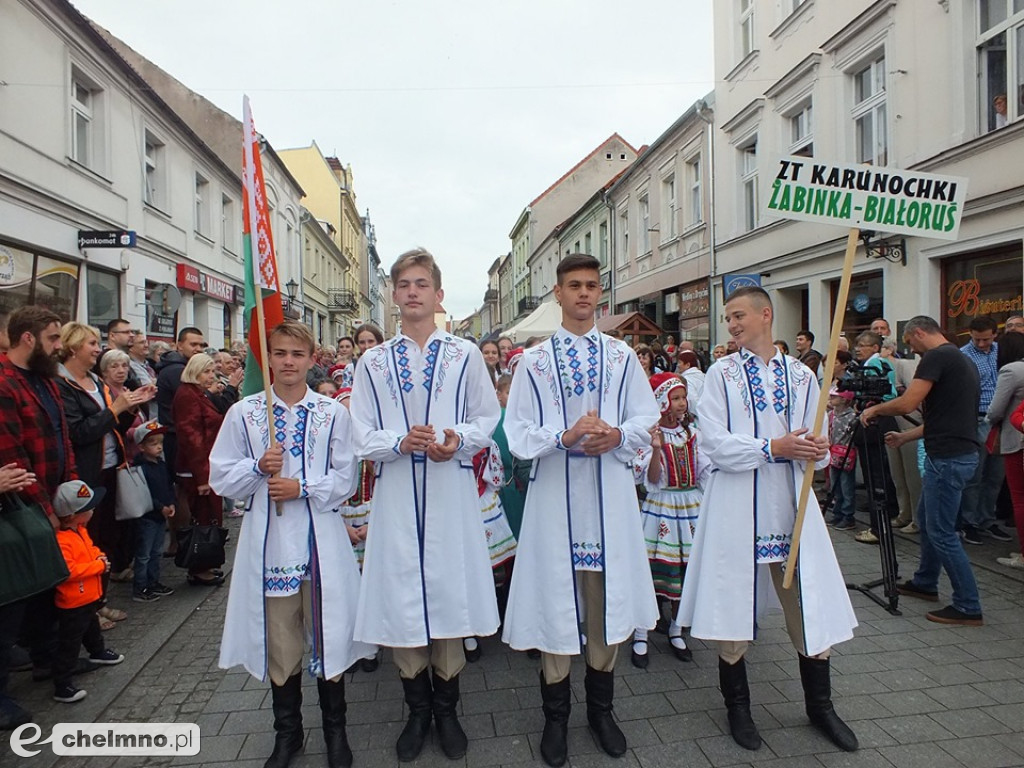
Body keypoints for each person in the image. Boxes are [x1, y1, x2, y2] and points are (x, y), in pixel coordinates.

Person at [678, 286, 858, 754]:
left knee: (807, 603)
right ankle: (738, 707)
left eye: (738, 316)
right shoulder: (720, 374)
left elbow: (814, 436)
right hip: (737, 506)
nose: (732, 324)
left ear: (765, 314)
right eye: (727, 318)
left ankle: (821, 707)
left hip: (789, 505)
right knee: (732, 603)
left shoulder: (801, 376)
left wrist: (814, 447)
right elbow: (712, 443)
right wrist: (771, 447)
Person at [503, 254, 660, 767]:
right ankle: (554, 717)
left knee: (604, 604)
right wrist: (564, 436)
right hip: (553, 502)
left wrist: (615, 434)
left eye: (592, 285)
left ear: (600, 293)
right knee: (554, 601)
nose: (584, 294)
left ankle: (601, 710)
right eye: (575, 285)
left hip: (609, 501)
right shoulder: (534, 361)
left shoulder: (621, 357)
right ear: (558, 292)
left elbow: (646, 415)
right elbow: (518, 433)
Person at [350, 248, 500, 762]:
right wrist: (399, 443)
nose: (412, 292)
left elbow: (488, 417)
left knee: (448, 593)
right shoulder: (371, 361)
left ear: (438, 295)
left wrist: (457, 438)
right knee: (402, 596)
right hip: (395, 499)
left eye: (422, 284)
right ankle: (416, 710)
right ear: (393, 295)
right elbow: (360, 433)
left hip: (451, 496)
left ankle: (448, 710)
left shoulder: (464, 355)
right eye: (403, 284)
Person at [210, 320, 369, 768]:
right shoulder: (244, 413)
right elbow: (220, 474)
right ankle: (289, 732)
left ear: (311, 358)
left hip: (321, 544)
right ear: (268, 359)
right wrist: (258, 468)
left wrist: (302, 487)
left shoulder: (332, 413)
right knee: (282, 645)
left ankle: (336, 732)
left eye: (297, 354)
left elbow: (346, 478)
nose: (288, 362)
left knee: (329, 636)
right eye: (279, 353)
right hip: (272, 547)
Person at [861, 315, 984, 627]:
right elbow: (946, 419)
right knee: (929, 522)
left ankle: (968, 605)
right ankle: (925, 582)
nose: (911, 350)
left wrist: (875, 409)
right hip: (955, 452)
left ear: (918, 333)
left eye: (910, 343)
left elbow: (907, 404)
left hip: (948, 458)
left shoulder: (936, 357)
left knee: (942, 531)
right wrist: (905, 436)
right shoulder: (960, 358)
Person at [0, 306, 75, 729]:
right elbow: (13, 457)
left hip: (53, 494)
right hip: (23, 506)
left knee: (48, 583)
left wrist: (71, 492)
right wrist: (46, 509)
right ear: (28, 338)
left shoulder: (45, 379)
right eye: (52, 338)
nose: (57, 345)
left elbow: (59, 436)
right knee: (16, 596)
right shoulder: (5, 384)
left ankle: (49, 659)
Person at [57, 323, 154, 614]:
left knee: (108, 536)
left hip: (112, 466)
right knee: (89, 539)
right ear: (73, 347)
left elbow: (114, 427)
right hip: (84, 472)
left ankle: (101, 599)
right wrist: (115, 409)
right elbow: (78, 432)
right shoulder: (62, 384)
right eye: (91, 343)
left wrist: (133, 405)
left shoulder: (96, 382)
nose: (98, 349)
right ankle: (90, 607)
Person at [631, 373, 706, 669]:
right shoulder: (650, 434)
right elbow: (650, 480)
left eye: (683, 397)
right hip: (661, 505)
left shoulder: (693, 434)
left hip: (690, 506)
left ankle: (676, 628)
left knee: (685, 570)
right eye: (675, 398)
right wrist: (657, 449)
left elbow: (703, 471)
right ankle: (641, 631)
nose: (681, 403)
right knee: (651, 570)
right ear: (662, 402)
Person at [51, 480, 125, 703]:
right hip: (73, 601)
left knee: (91, 627)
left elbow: (90, 549)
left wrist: (97, 556)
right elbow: (69, 571)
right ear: (74, 514)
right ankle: (62, 684)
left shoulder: (80, 531)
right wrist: (98, 566)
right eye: (88, 508)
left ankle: (97, 651)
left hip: (88, 597)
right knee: (70, 643)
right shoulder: (63, 540)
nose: (93, 510)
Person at [172, 353, 225, 586]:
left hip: (207, 463)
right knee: (202, 518)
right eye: (207, 371)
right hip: (197, 468)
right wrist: (202, 477)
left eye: (212, 371)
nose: (211, 376)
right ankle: (199, 566)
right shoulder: (187, 395)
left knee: (209, 516)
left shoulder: (197, 393)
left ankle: (206, 563)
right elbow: (192, 437)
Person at [958, 317, 1011, 544]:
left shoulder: (1001, 351)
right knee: (975, 476)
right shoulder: (963, 355)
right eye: (977, 339)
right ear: (970, 334)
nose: (981, 344)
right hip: (977, 418)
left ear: (994, 334)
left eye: (986, 339)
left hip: (1000, 420)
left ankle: (986, 519)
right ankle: (968, 522)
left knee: (995, 476)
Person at [849, 331, 899, 545]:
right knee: (879, 476)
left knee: (875, 478)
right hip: (876, 422)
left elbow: (888, 395)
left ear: (875, 347)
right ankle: (884, 521)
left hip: (874, 424)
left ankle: (878, 527)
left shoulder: (876, 365)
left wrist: (868, 408)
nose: (858, 348)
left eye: (864, 345)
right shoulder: (877, 364)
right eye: (857, 345)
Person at [985, 332, 1024, 568]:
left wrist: (988, 420)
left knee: (1019, 499)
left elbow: (996, 409)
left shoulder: (1011, 370)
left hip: (1016, 439)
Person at [130, 421, 176, 602]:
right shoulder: (139, 468)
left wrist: (171, 503)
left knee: (156, 551)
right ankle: (140, 587)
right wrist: (160, 506)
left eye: (160, 443)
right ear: (141, 447)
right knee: (144, 554)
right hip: (148, 516)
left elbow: (168, 486)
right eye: (153, 444)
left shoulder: (161, 464)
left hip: (161, 515)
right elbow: (143, 493)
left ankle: (153, 581)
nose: (158, 447)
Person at [826, 388, 859, 531]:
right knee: (835, 484)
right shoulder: (831, 414)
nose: (831, 398)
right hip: (834, 452)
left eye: (834, 396)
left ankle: (848, 515)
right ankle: (837, 512)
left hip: (846, 453)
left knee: (846, 484)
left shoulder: (852, 416)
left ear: (844, 399)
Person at [676, 350, 705, 415]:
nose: (678, 365)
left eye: (680, 362)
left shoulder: (687, 380)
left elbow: (692, 401)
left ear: (687, 365)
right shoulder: (704, 376)